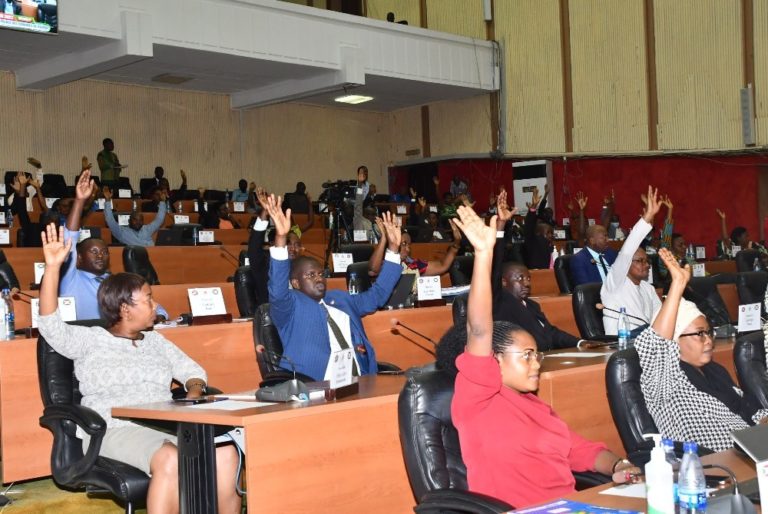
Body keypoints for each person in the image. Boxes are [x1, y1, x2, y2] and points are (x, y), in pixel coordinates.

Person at [36, 224, 241, 513]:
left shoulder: (156, 341)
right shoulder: (90, 339)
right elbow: (49, 324)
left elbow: (191, 370)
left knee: (225, 454)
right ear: (124, 308)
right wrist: (53, 268)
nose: (156, 306)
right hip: (113, 429)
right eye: (148, 300)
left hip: (161, 424)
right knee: (169, 458)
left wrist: (195, 390)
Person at [450, 204, 640, 508]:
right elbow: (479, 329)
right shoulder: (477, 397)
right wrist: (484, 254)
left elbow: (582, 450)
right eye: (526, 355)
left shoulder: (538, 407)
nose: (536, 362)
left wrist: (618, 466)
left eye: (536, 354)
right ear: (494, 358)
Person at [637, 248, 768, 452]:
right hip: (712, 465)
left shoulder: (715, 370)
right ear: (674, 340)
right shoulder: (666, 382)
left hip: (752, 449)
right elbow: (655, 345)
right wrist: (677, 287)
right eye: (699, 334)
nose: (708, 341)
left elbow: (748, 407)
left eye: (709, 333)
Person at [265, 194, 402, 381]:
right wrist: (281, 239)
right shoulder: (290, 305)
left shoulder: (340, 299)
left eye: (321, 273)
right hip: (314, 385)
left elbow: (377, 296)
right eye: (310, 275)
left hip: (360, 378)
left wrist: (393, 250)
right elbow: (277, 289)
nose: (319, 278)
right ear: (296, 283)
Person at [62, 171, 168, 321]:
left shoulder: (114, 281)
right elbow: (69, 240)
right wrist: (79, 201)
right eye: (94, 252)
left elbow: (155, 307)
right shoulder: (70, 278)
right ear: (78, 258)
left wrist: (159, 315)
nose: (100, 255)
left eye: (105, 252)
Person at [601, 186, 662, 336]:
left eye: (647, 261)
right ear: (627, 264)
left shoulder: (648, 289)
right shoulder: (616, 282)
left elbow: (660, 318)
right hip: (622, 345)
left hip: (647, 343)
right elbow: (627, 249)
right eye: (640, 261)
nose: (646, 265)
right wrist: (647, 218)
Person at [367, 217, 462, 278]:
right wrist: (384, 237)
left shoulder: (413, 264)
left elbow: (443, 265)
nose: (408, 249)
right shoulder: (384, 264)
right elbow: (372, 270)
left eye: (409, 245)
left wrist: (456, 243)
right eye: (404, 244)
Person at [569, 222, 618, 286]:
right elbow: (585, 286)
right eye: (604, 237)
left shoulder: (611, 253)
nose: (607, 240)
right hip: (596, 294)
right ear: (592, 240)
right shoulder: (579, 260)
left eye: (607, 236)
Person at [522, 186, 555, 269]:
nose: (551, 235)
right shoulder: (533, 242)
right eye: (548, 233)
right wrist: (533, 208)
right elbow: (529, 227)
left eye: (551, 233)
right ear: (538, 234)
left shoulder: (549, 245)